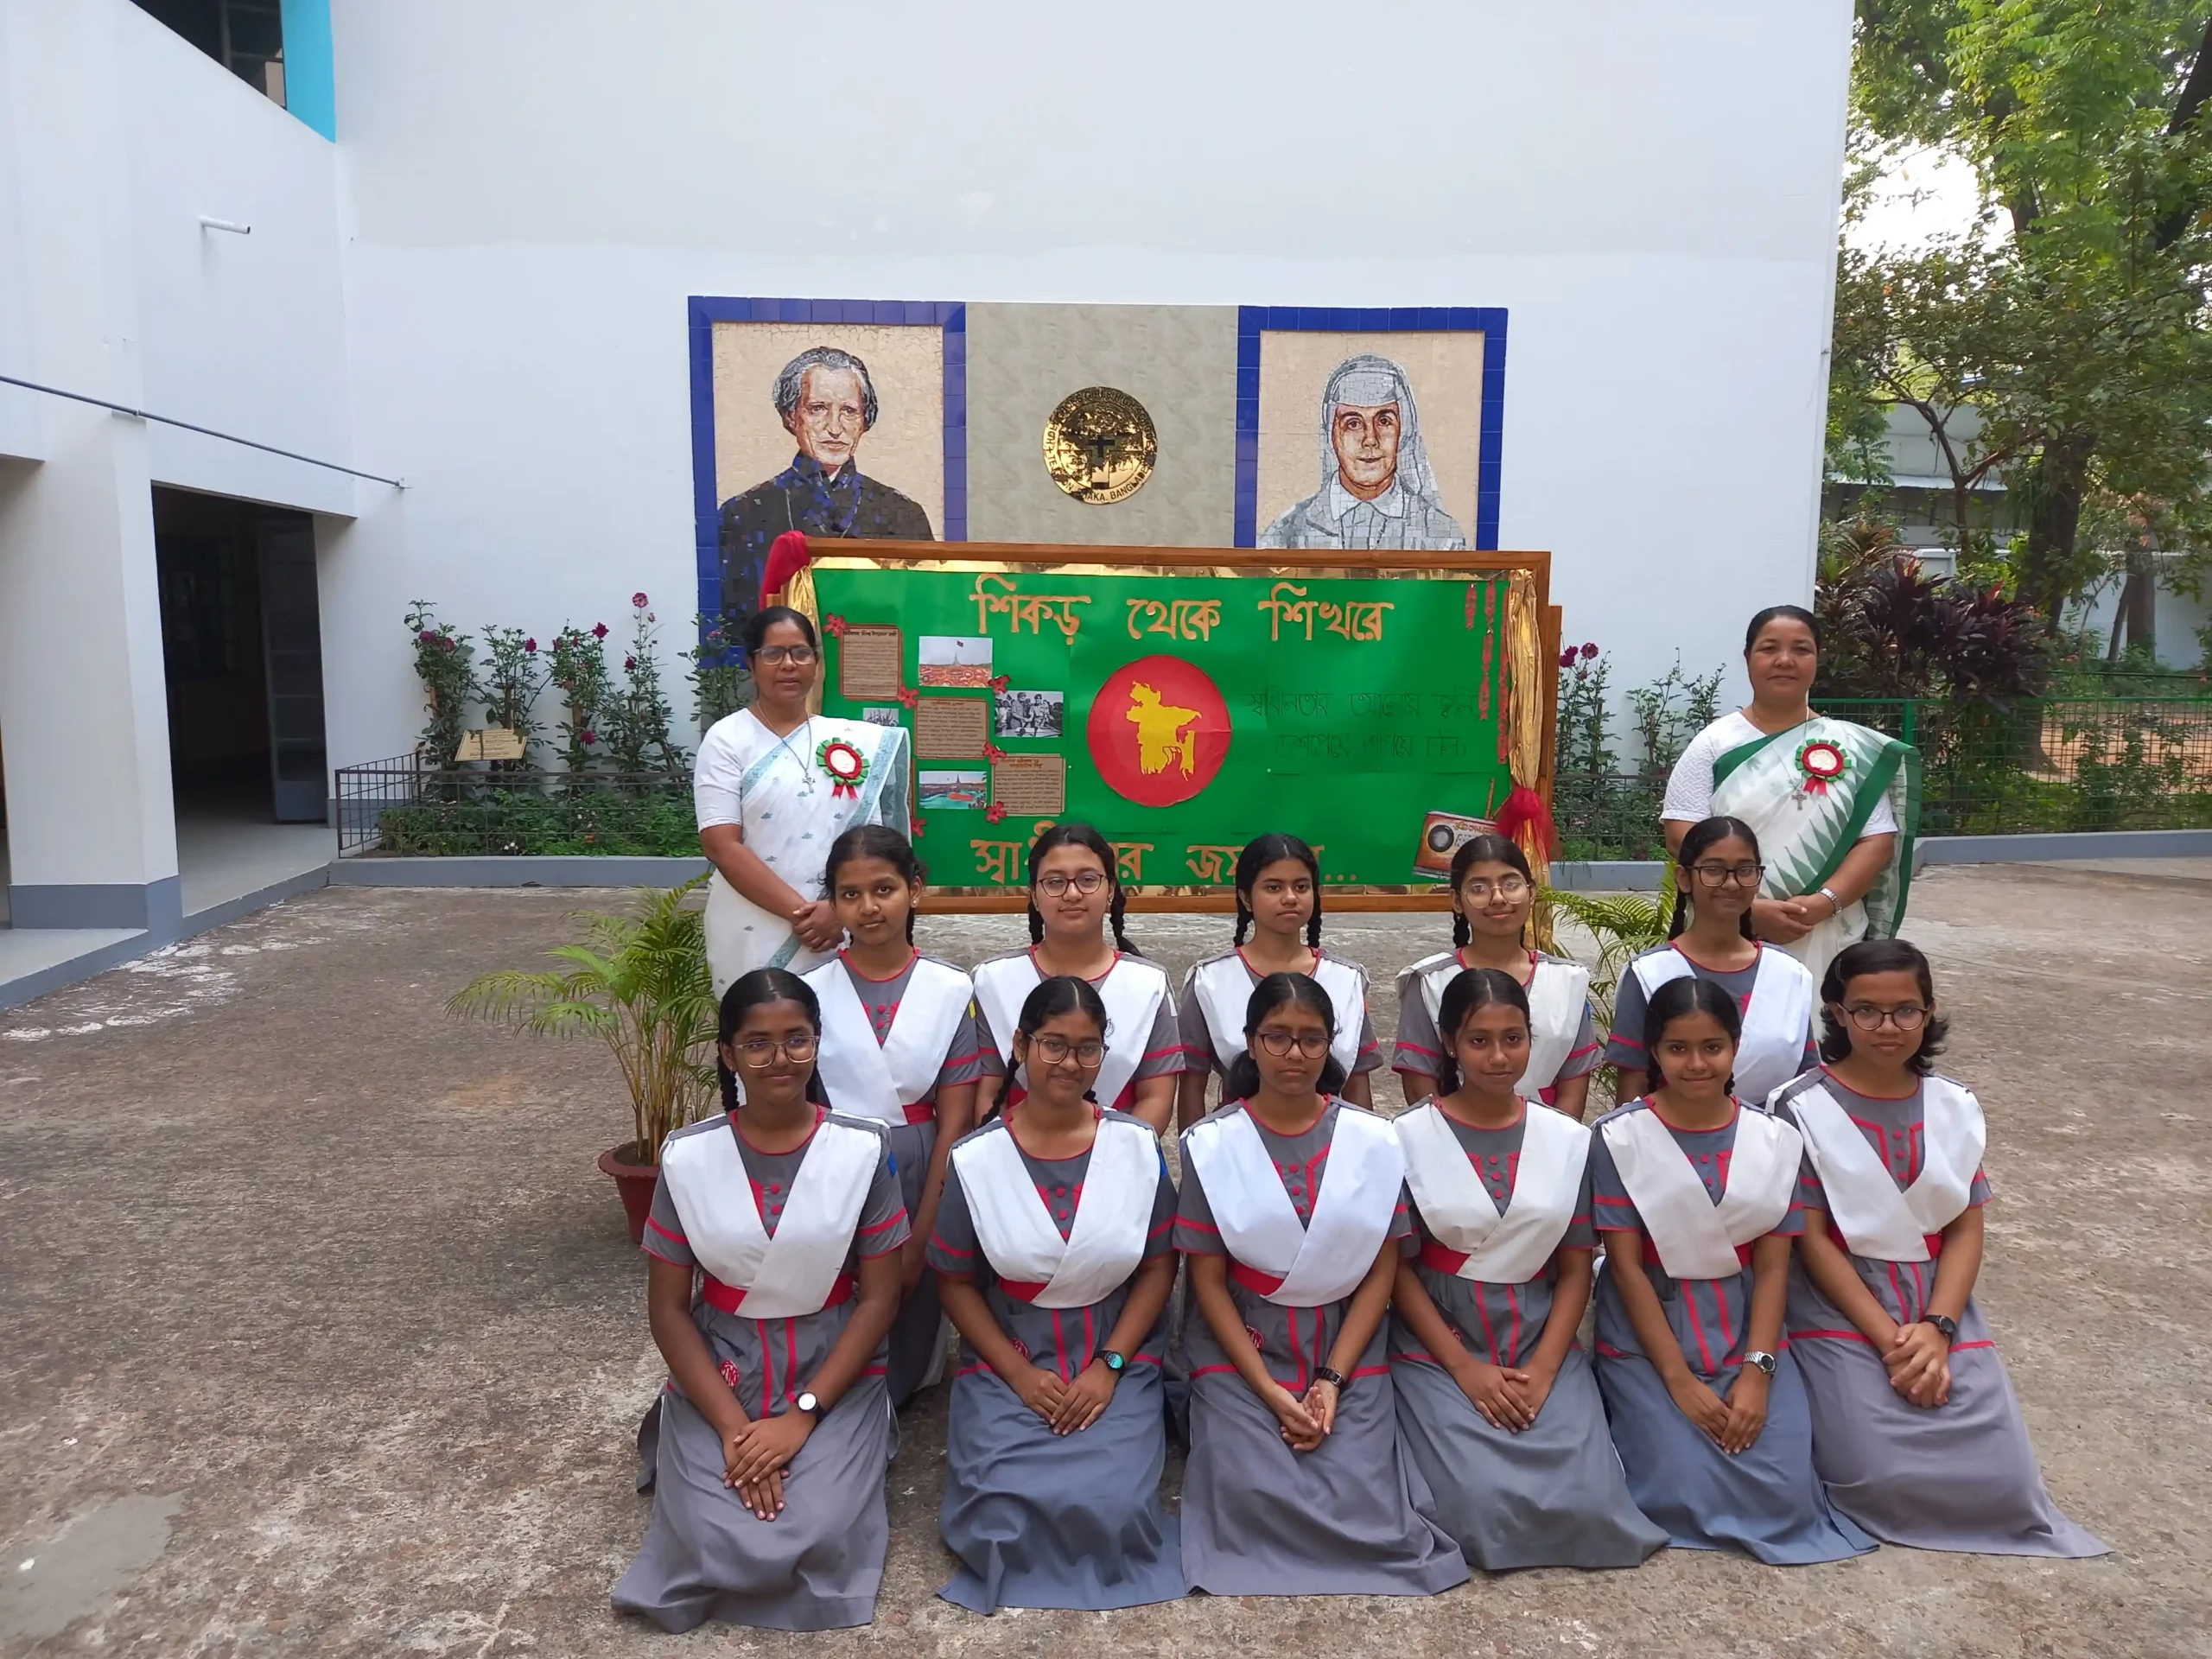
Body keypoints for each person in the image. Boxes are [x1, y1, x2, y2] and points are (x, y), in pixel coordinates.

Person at [1772, 940, 2108, 1557]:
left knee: (2005, 1484)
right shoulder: (1798, 1107)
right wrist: (1893, 1344)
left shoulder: (1954, 1105)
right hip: (1838, 1299)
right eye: (1867, 1010)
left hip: (1935, 1298)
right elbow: (1812, 1240)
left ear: (1928, 1012)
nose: (1888, 1027)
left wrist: (1938, 1328)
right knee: (1876, 1478)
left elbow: (1964, 1228)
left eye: (1906, 1010)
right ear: (1838, 1014)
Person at [614, 970, 908, 1633]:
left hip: (833, 1371)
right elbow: (669, 1311)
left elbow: (878, 1300)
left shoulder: (862, 1149)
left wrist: (800, 1419)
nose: (780, 1058)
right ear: (728, 1054)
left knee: (816, 1530)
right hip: (723, 1372)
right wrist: (733, 1430)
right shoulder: (689, 1157)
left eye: (797, 1039)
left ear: (817, 1043)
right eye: (758, 1043)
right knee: (710, 1533)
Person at [1176, 972, 1469, 1597]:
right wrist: (1268, 1390)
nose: (1295, 1053)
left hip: (1343, 1339)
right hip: (1245, 1340)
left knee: (1367, 1498)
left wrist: (1331, 1381)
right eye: (1277, 1037)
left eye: (1311, 1039)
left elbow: (1382, 1268)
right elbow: (1206, 1281)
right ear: (1250, 1043)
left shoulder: (1373, 1140)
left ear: (1331, 1045)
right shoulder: (1212, 1143)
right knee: (1250, 1490)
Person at [1588, 977, 1874, 1565]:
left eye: (1713, 1047)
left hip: (1743, 1328)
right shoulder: (1619, 1139)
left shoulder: (1774, 1140)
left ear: (1736, 1047)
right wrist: (1678, 1381)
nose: (1697, 1064)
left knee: (1783, 1494)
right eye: (1678, 1048)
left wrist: (1758, 1370)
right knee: (1675, 1485)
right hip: (1650, 1337)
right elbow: (1626, 1268)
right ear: (1654, 1051)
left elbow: (1773, 1270)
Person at [1389, 968, 1667, 1572]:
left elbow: (1575, 1269)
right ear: (1449, 1043)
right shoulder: (1405, 1138)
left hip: (1539, 1335)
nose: (1498, 1056)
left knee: (1591, 1503)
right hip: (1441, 1340)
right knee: (1478, 1505)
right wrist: (1463, 1368)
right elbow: (1397, 1272)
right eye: (1479, 1040)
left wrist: (1544, 1370)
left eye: (1513, 1039)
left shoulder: (1566, 1140)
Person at [929, 976, 1187, 1613]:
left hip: (1114, 1351)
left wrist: (1110, 1366)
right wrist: (1018, 1375)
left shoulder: (1135, 1147)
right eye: (1053, 1044)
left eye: (1088, 1048)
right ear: (1020, 1046)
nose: (1070, 1063)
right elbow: (955, 1283)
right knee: (999, 1512)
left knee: (1113, 1508)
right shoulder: (977, 1159)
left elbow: (1159, 1268)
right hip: (1011, 1354)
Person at [802, 825, 982, 1407]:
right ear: (833, 902)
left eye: (884, 889)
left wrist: (922, 1233)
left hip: (923, 1168)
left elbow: (955, 1122)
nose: (869, 907)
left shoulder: (951, 989)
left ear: (915, 889)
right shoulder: (809, 992)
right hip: (835, 1168)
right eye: (850, 894)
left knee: (909, 1296)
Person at [1662, 605, 1919, 982]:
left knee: (1822, 1017)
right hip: (1726, 927)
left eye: (1801, 649)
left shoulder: (1848, 746)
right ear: (1748, 658)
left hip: (1826, 931)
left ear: (1817, 658)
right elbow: (1681, 833)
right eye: (1769, 648)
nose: (1785, 660)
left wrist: (1822, 904)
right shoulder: (1714, 743)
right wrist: (1748, 909)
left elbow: (1876, 840)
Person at [695, 606, 911, 998]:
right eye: (773, 654)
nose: (789, 665)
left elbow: (875, 844)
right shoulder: (728, 740)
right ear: (751, 664)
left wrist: (835, 911)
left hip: (844, 923)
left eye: (800, 652)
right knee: (761, 1023)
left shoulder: (850, 741)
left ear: (815, 661)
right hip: (754, 925)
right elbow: (720, 845)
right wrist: (806, 916)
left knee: (843, 1027)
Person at [971, 823, 1181, 1133]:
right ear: (1033, 894)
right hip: (1015, 1152)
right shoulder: (992, 981)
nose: (1072, 894)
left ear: (1111, 889)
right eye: (1055, 882)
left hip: (1119, 1154)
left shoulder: (1149, 984)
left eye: (1088, 880)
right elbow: (988, 1093)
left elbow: (1156, 1096)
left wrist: (1116, 1153)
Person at [1606, 817, 1819, 1109]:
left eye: (1745, 870)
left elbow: (1805, 1084)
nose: (1731, 883)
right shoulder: (1649, 973)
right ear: (1684, 878)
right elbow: (1632, 1091)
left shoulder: (1787, 972)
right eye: (1714, 870)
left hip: (1774, 1134)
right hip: (1670, 1134)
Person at [717, 346, 935, 626]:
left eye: (849, 411)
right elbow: (733, 628)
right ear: (791, 416)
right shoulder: (742, 514)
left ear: (864, 421)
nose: (834, 427)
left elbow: (925, 614)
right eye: (818, 409)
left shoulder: (903, 514)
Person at [1176, 834, 1380, 1128]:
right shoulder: (1209, 981)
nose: (1290, 897)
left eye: (1301, 886)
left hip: (1331, 1143)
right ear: (1245, 897)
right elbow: (1192, 1083)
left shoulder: (1346, 979)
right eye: (1274, 887)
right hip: (1238, 1141)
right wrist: (1193, 1148)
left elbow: (1358, 1084)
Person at [1394, 833, 1601, 1119]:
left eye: (1511, 884)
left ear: (1532, 891)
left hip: (1548, 1137)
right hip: (1451, 1138)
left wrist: (1552, 1140)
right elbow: (1420, 1084)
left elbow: (1574, 1084)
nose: (1498, 898)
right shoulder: (1429, 982)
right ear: (1457, 900)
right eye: (1479, 888)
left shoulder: (1568, 980)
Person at [1258, 353, 1469, 551]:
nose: (1370, 440)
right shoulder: (1286, 536)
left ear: (1403, 432)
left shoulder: (1443, 538)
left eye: (1384, 421)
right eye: (1353, 424)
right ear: (1332, 435)